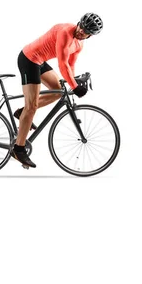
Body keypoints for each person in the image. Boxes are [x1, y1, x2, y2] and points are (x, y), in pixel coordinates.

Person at [12, 13, 103, 168]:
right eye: (82, 26)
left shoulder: (79, 45)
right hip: (29, 59)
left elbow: (70, 66)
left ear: (90, 36)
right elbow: (62, 64)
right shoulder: (65, 32)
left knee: (58, 91)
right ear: (79, 23)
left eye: (86, 31)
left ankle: (22, 113)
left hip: (40, 61)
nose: (81, 31)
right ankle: (18, 149)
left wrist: (73, 82)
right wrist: (75, 86)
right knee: (32, 106)